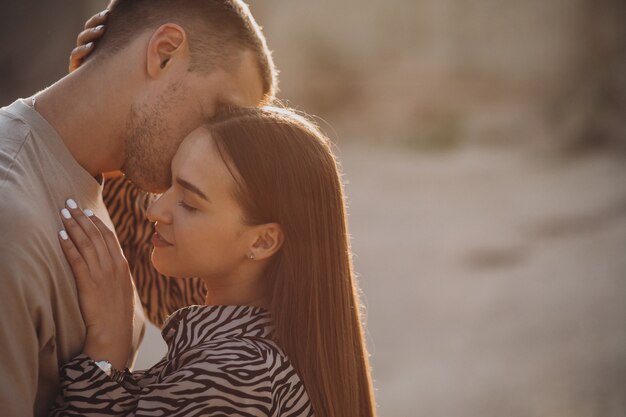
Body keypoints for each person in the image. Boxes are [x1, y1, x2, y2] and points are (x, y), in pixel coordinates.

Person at [0, 1, 276, 415]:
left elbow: (191, 308)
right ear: (164, 52)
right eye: (220, 114)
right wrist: (105, 363)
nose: (215, 149)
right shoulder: (11, 223)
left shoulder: (98, 176)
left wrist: (97, 112)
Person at [49, 107, 377, 417]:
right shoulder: (265, 335)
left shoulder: (237, 374)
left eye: (189, 204)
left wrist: (106, 350)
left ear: (262, 241)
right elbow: (133, 235)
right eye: (168, 184)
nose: (155, 210)